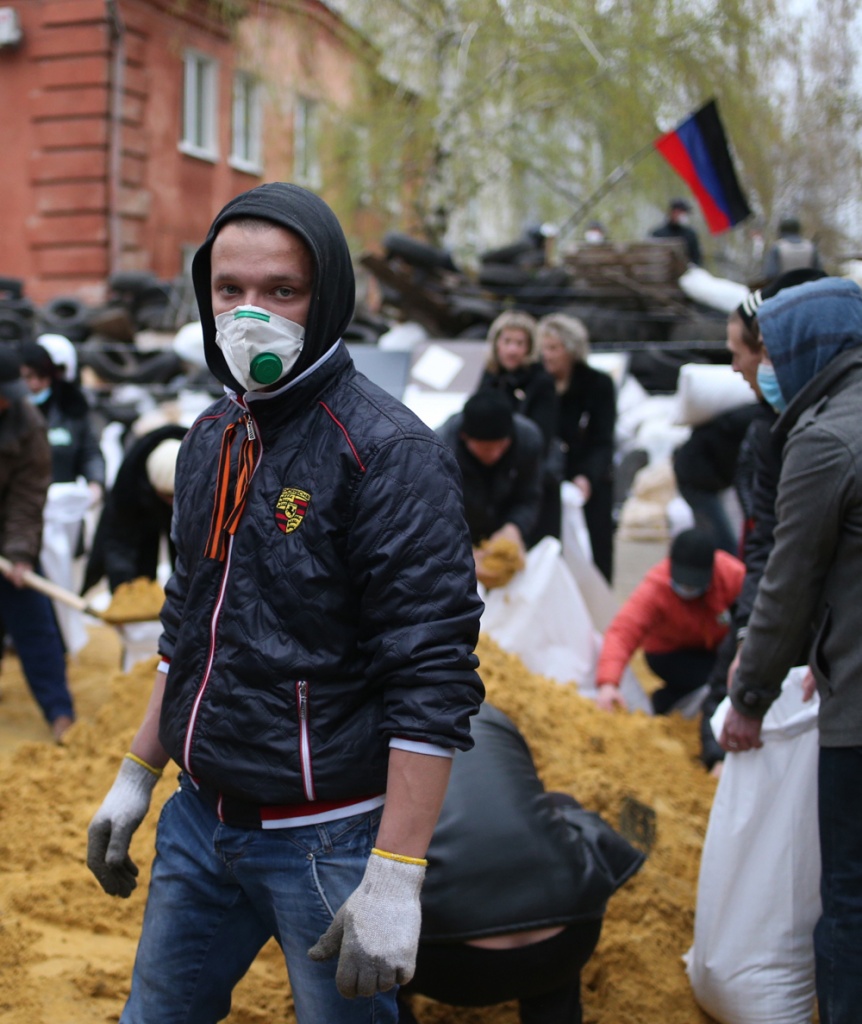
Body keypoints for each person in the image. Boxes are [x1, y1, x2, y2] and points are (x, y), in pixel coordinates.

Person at [85, 182, 484, 1024]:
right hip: (200, 823)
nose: (250, 315)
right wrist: (137, 771)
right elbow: (190, 620)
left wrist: (396, 873)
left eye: (282, 291)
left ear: (326, 297)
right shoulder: (210, 439)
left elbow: (431, 672)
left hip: (328, 841)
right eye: (230, 290)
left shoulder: (386, 453)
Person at [718, 277, 862, 1024]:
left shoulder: (826, 437)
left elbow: (789, 578)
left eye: (768, 351)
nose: (757, 366)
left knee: (850, 899)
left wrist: (748, 698)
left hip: (858, 717)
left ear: (810, 348)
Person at [396, 702, 645, 1024]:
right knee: (557, 807)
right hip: (569, 938)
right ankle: (553, 1012)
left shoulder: (369, 724)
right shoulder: (488, 713)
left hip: (446, 963)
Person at [697, 268, 826, 772]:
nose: (735, 367)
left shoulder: (815, 434)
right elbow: (768, 543)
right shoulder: (769, 429)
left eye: (743, 352)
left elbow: (785, 553)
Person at [0, 348, 76, 741]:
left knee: (34, 623)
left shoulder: (27, 422)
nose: (8, 401)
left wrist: (18, 554)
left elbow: (28, 496)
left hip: (9, 533)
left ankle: (59, 712)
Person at [595, 528, 744, 715]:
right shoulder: (656, 586)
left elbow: (754, 609)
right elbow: (622, 632)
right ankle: (670, 700)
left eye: (694, 584)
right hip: (670, 654)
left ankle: (673, 697)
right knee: (715, 679)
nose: (688, 589)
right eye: (683, 582)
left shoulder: (730, 574)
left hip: (717, 649)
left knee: (730, 674)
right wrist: (608, 683)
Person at [538, 313, 616, 582]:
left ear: (571, 350)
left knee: (595, 542)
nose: (547, 355)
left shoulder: (598, 384)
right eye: (544, 348)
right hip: (548, 474)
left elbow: (602, 438)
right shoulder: (539, 383)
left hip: (587, 473)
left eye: (554, 348)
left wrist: (587, 476)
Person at [438, 390, 543, 586]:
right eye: (486, 448)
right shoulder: (440, 450)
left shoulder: (527, 439)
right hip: (459, 534)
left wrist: (514, 528)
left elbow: (528, 496)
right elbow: (436, 513)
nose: (495, 454)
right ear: (465, 437)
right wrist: (460, 550)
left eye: (502, 446)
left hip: (502, 527)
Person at [83, 424, 187, 593]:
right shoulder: (131, 476)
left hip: (189, 508)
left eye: (175, 497)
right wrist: (124, 587)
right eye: (167, 496)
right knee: (139, 580)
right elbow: (119, 536)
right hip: (143, 515)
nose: (171, 502)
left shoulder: (208, 467)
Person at [18, 341, 105, 498]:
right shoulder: (9, 412)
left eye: (42, 375)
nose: (35, 383)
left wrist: (95, 484)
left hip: (62, 500)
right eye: (28, 377)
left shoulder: (70, 407)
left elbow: (90, 453)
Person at [671, 402, 760, 555]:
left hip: (705, 477)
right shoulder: (750, 424)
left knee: (719, 535)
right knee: (722, 540)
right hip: (696, 481)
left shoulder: (743, 419)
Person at [474, 310, 557, 452]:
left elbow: (541, 437)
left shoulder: (541, 382)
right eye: (507, 341)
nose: (512, 350)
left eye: (519, 343)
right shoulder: (491, 375)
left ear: (529, 347)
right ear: (496, 344)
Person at [762, 216, 822, 281]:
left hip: (784, 285)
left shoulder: (777, 247)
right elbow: (819, 273)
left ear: (781, 230)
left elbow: (770, 274)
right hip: (808, 285)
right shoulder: (811, 247)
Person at [649, 197, 702, 265]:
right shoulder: (658, 233)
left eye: (683, 212)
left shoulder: (691, 234)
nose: (680, 215)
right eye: (678, 212)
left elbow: (696, 259)